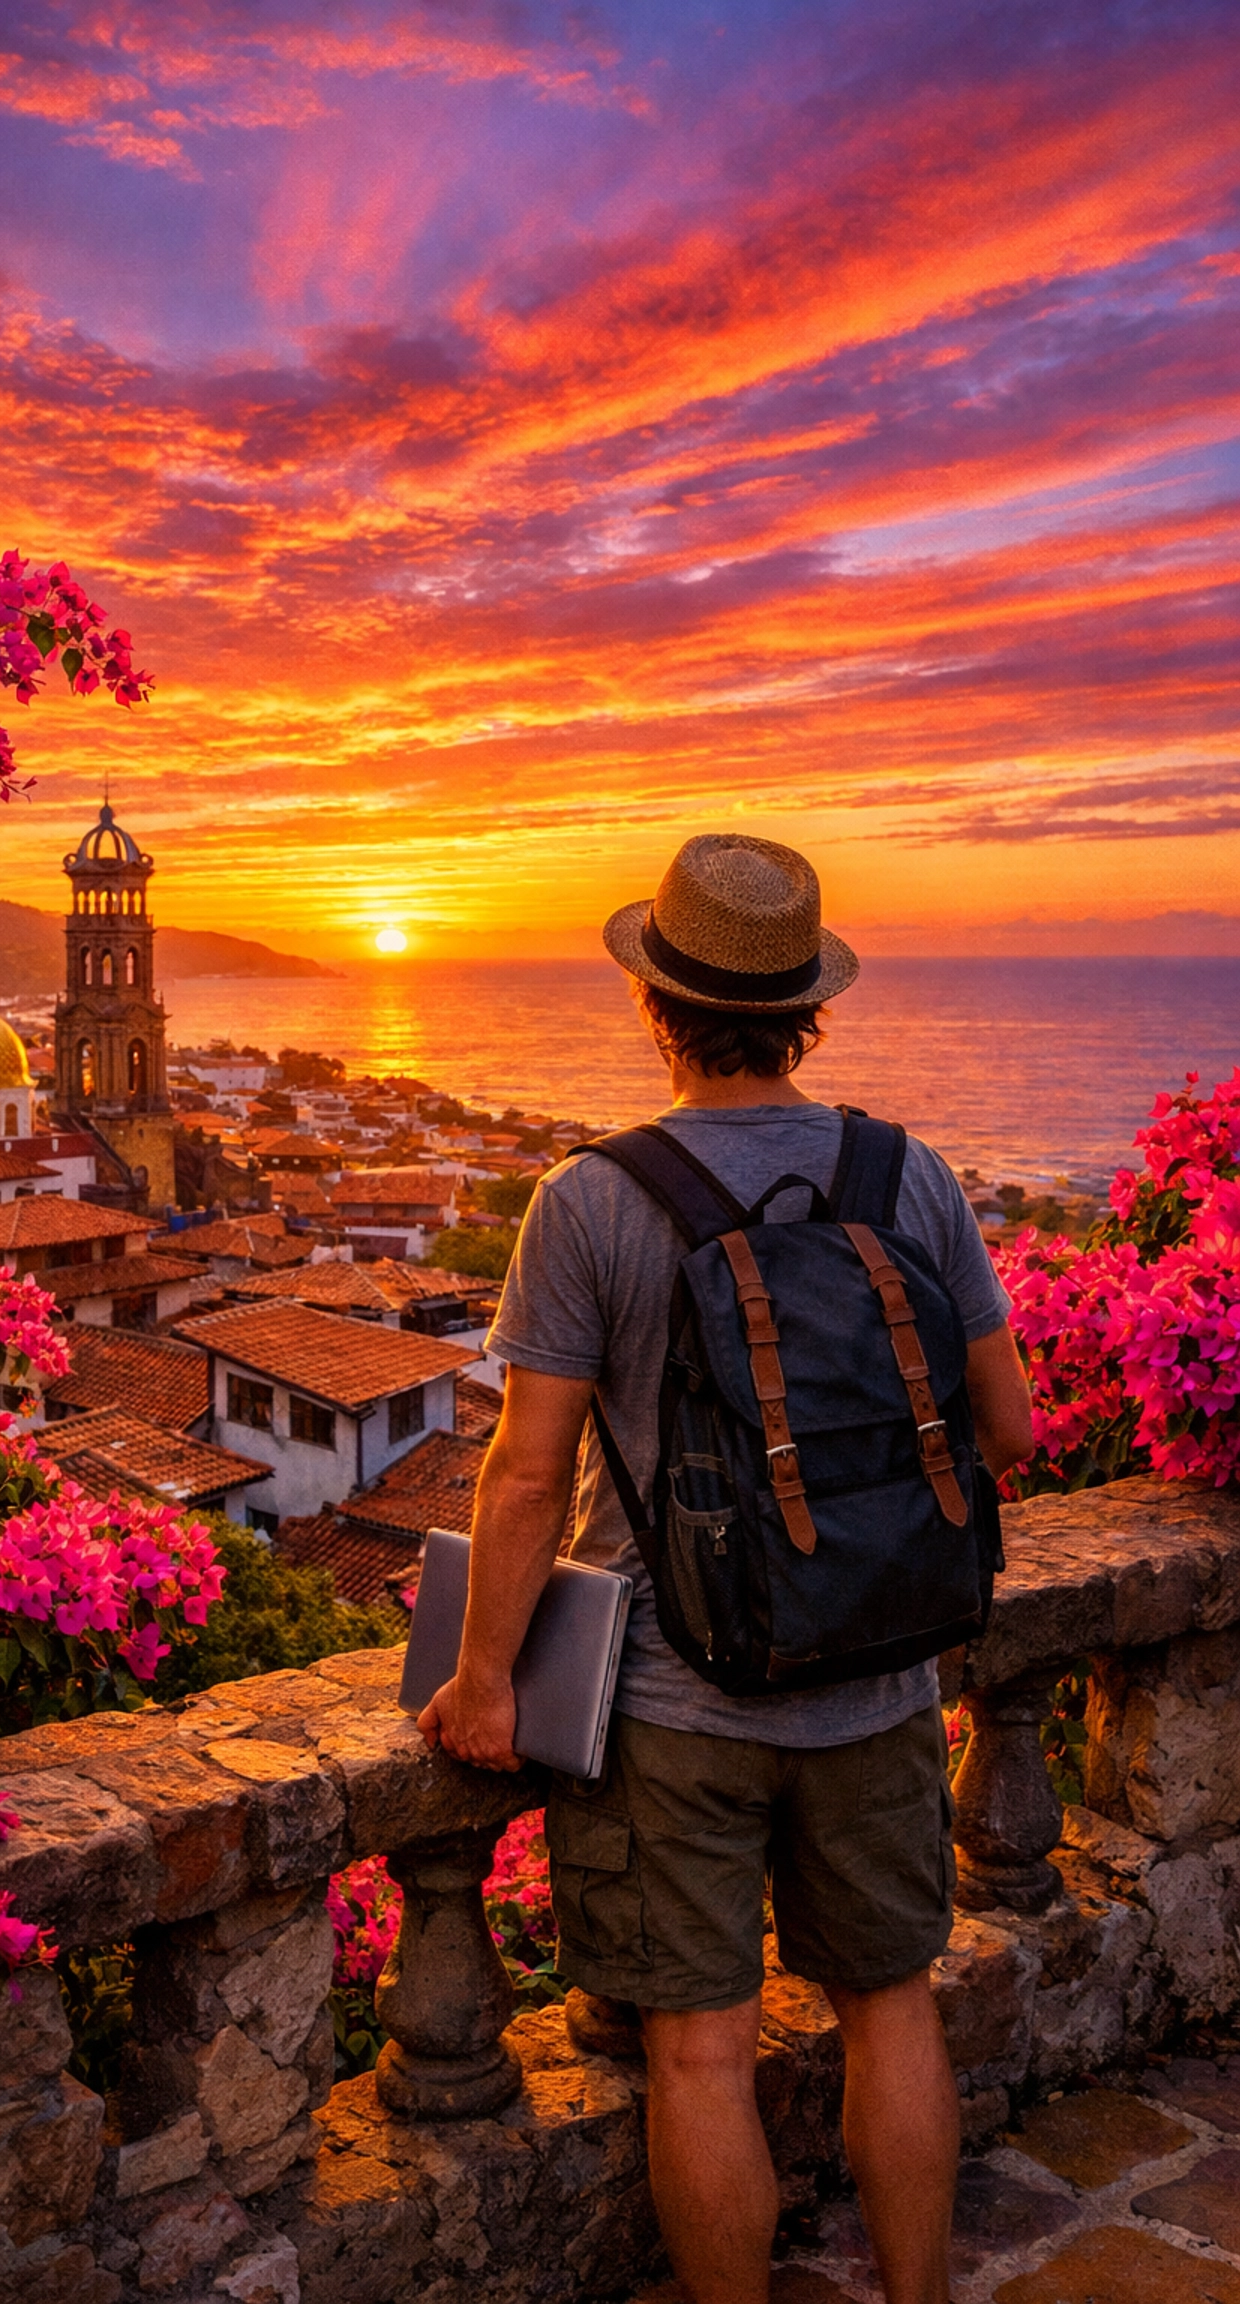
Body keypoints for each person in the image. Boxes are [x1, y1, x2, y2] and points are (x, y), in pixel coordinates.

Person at [418, 833, 1035, 2304]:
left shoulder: (593, 1200)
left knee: (700, 2045)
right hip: (879, 1683)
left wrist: (485, 1675)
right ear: (809, 1008)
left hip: (674, 1705)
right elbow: (1006, 1426)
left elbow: (528, 1471)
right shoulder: (910, 1175)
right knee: (893, 2009)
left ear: (658, 1006)